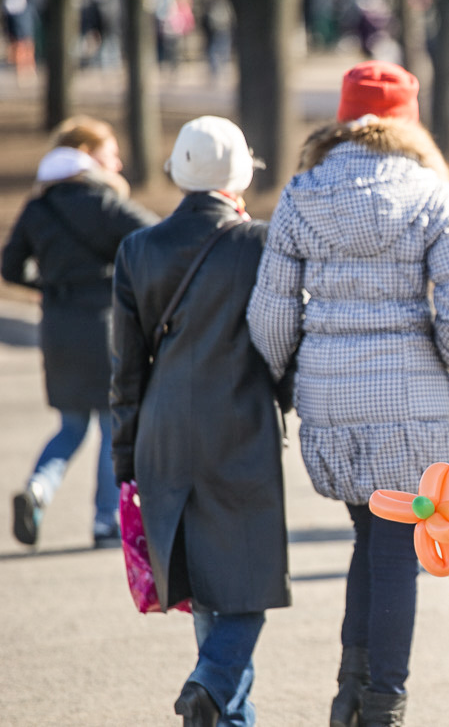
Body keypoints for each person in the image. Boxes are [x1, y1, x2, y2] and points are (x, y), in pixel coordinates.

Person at [247, 61, 449, 727]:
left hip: (328, 398)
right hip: (406, 400)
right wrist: (446, 360)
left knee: (368, 537)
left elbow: (268, 315)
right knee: (394, 548)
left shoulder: (301, 192)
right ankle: (385, 701)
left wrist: (292, 376)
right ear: (409, 122)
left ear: (343, 118)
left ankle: (349, 692)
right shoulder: (432, 193)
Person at [110, 116, 290, 727]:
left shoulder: (137, 249)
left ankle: (218, 707)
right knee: (247, 589)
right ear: (240, 175)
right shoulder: (260, 243)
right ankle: (210, 684)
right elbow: (281, 342)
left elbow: (126, 374)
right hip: (238, 432)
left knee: (211, 594)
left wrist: (124, 464)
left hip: (162, 437)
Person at [2, 115, 158, 549]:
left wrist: (49, 284)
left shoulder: (40, 206)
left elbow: (10, 266)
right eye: (111, 153)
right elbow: (157, 237)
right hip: (107, 325)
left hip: (56, 325)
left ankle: (38, 490)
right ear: (87, 156)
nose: (119, 162)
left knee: (70, 426)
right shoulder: (105, 202)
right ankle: (106, 521)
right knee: (113, 428)